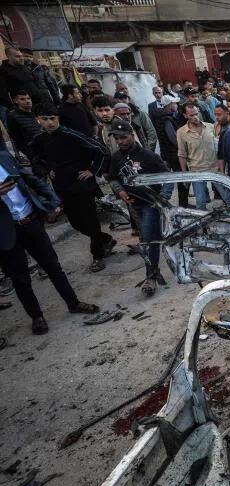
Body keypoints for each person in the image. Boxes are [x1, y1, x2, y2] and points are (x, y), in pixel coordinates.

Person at [0, 149, 99, 334]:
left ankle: (73, 303)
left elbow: (32, 180)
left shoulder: (4, 157)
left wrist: (53, 200)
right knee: (20, 278)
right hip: (6, 231)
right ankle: (37, 317)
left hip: (31, 222)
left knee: (53, 266)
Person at [29, 104, 115, 273]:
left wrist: (92, 171)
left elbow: (101, 151)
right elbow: (37, 158)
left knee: (90, 221)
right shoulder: (39, 140)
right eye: (45, 119)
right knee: (76, 223)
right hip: (62, 187)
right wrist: (47, 169)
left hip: (82, 186)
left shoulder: (72, 135)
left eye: (53, 118)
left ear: (58, 119)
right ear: (38, 120)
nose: (50, 123)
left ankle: (98, 256)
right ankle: (105, 239)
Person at [106, 120, 173, 296]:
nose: (120, 141)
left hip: (150, 204)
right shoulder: (116, 157)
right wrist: (120, 191)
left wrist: (162, 199)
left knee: (150, 240)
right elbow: (112, 178)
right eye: (117, 138)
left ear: (132, 135)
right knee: (146, 238)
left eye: (123, 137)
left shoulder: (149, 156)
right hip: (133, 206)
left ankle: (151, 277)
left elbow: (168, 177)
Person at [177, 102, 230, 210]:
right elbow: (182, 154)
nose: (195, 117)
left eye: (196, 113)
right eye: (191, 115)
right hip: (197, 171)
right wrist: (184, 174)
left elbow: (219, 146)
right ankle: (203, 221)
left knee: (228, 198)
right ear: (185, 115)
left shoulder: (210, 126)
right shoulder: (181, 132)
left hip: (215, 168)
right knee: (200, 202)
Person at [6, 90, 41, 161]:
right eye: (22, 99)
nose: (27, 101)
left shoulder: (37, 111)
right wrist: (30, 154)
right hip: (34, 152)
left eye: (28, 98)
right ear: (16, 101)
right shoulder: (13, 116)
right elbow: (17, 139)